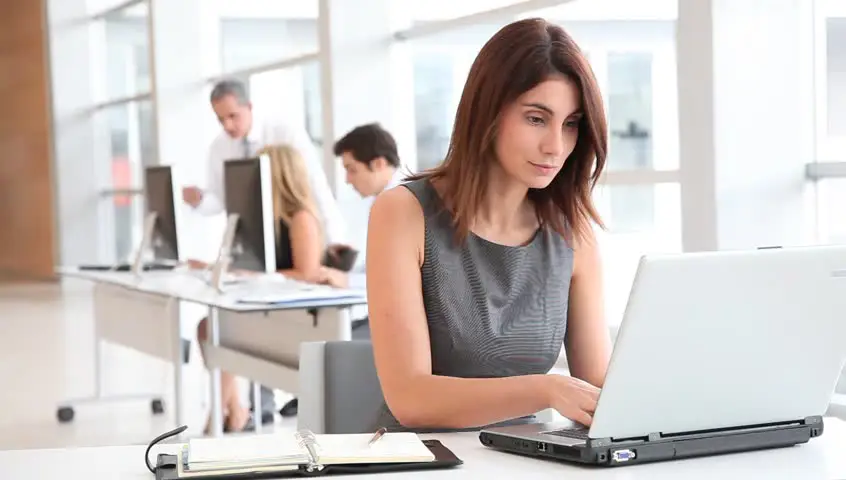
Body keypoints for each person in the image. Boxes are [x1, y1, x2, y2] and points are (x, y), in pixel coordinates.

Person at [365, 18, 613, 431]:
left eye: (571, 125)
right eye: (537, 118)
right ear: (489, 112)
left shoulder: (573, 233)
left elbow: (596, 385)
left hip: (523, 460)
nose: (556, 146)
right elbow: (410, 396)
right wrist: (546, 390)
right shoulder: (402, 214)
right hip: (422, 458)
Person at [195, 144, 347, 433]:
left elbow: (307, 273)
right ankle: (235, 407)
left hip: (296, 315)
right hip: (269, 307)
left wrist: (256, 274)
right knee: (210, 327)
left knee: (217, 330)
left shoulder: (301, 217)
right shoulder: (268, 220)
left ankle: (221, 412)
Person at [182, 79, 346, 246]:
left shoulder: (284, 133)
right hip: (250, 237)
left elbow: (315, 185)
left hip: (291, 228)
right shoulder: (219, 147)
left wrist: (335, 240)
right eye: (221, 120)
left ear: (249, 106)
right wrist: (200, 199)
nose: (228, 126)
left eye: (233, 116)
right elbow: (221, 199)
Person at [325, 123, 406, 271]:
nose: (347, 180)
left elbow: (395, 273)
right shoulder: (384, 200)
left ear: (379, 164)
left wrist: (347, 282)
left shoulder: (403, 204)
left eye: (352, 170)